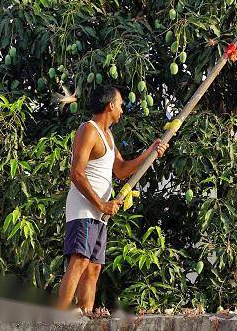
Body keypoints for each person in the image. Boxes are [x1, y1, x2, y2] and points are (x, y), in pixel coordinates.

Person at [56, 85, 168, 315]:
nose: (122, 110)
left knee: (94, 267)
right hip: (85, 210)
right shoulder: (89, 130)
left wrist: (151, 151)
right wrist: (101, 204)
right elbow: (76, 173)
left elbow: (121, 170)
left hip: (100, 213)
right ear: (111, 106)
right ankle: (57, 318)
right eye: (120, 105)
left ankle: (85, 315)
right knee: (79, 261)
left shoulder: (108, 137)